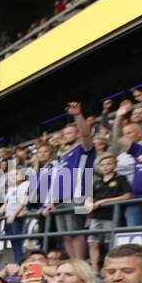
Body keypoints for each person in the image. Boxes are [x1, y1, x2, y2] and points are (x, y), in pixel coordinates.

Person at [40, 102, 95, 261]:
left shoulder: (85, 148)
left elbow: (86, 134)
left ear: (77, 133)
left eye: (71, 132)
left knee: (76, 233)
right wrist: (51, 201)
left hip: (78, 196)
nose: (67, 135)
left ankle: (79, 264)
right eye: (65, 133)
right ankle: (73, 262)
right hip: (60, 200)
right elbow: (57, 180)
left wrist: (78, 115)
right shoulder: (63, 155)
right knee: (65, 235)